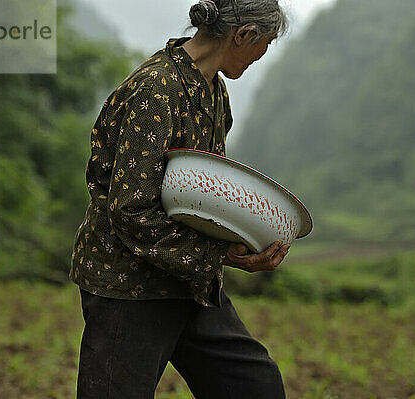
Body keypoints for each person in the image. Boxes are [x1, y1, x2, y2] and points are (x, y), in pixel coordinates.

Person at [69, 0, 290, 397]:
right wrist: (218, 254)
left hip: (187, 281)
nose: (263, 55)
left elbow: (203, 193)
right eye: (267, 43)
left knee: (254, 386)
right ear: (244, 36)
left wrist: (243, 240)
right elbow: (131, 209)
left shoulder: (214, 90)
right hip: (129, 283)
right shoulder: (156, 88)